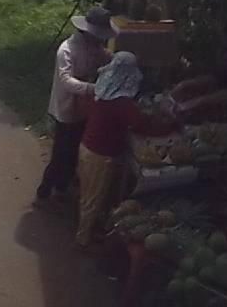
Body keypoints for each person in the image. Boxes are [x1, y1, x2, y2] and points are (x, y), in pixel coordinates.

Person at [74, 52, 179, 248]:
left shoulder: (102, 88)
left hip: (87, 148)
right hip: (101, 155)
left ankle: (89, 229)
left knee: (88, 195)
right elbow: (139, 124)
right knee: (93, 199)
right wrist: (168, 125)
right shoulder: (121, 101)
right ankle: (83, 240)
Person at [34, 6, 115, 210]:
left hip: (83, 107)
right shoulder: (66, 50)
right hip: (66, 107)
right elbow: (65, 81)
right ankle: (44, 193)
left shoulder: (93, 47)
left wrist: (118, 61)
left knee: (73, 152)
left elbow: (104, 56)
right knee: (60, 154)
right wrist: (92, 88)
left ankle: (62, 189)